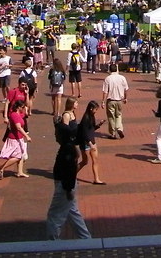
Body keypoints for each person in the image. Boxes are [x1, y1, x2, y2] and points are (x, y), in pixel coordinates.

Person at [46, 97, 90, 240]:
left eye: (56, 134)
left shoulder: (67, 151)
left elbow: (70, 170)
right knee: (72, 211)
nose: (55, 137)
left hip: (64, 186)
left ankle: (52, 242)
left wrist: (69, 188)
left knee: (54, 215)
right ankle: (85, 238)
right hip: (66, 184)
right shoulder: (68, 148)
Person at [0, 99, 31, 179]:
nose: (23, 108)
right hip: (14, 138)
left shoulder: (20, 114)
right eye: (22, 107)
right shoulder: (14, 115)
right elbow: (18, 127)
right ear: (18, 107)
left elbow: (27, 110)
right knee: (17, 156)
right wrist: (27, 136)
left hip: (19, 138)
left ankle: (20, 172)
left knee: (21, 154)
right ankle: (1, 168)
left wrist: (27, 94)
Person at [76, 100, 106, 183]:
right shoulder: (86, 118)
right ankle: (71, 174)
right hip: (86, 142)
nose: (96, 111)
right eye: (95, 109)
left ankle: (96, 179)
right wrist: (90, 144)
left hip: (92, 141)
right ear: (91, 108)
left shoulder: (92, 116)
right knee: (85, 161)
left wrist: (99, 125)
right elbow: (84, 133)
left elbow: (91, 129)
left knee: (95, 160)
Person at [102, 62, 129, 139]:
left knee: (111, 117)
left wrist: (103, 101)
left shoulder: (107, 79)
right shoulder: (122, 78)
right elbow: (126, 89)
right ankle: (119, 128)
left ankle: (113, 133)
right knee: (119, 115)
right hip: (119, 100)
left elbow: (105, 91)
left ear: (110, 70)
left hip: (110, 100)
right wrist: (125, 98)